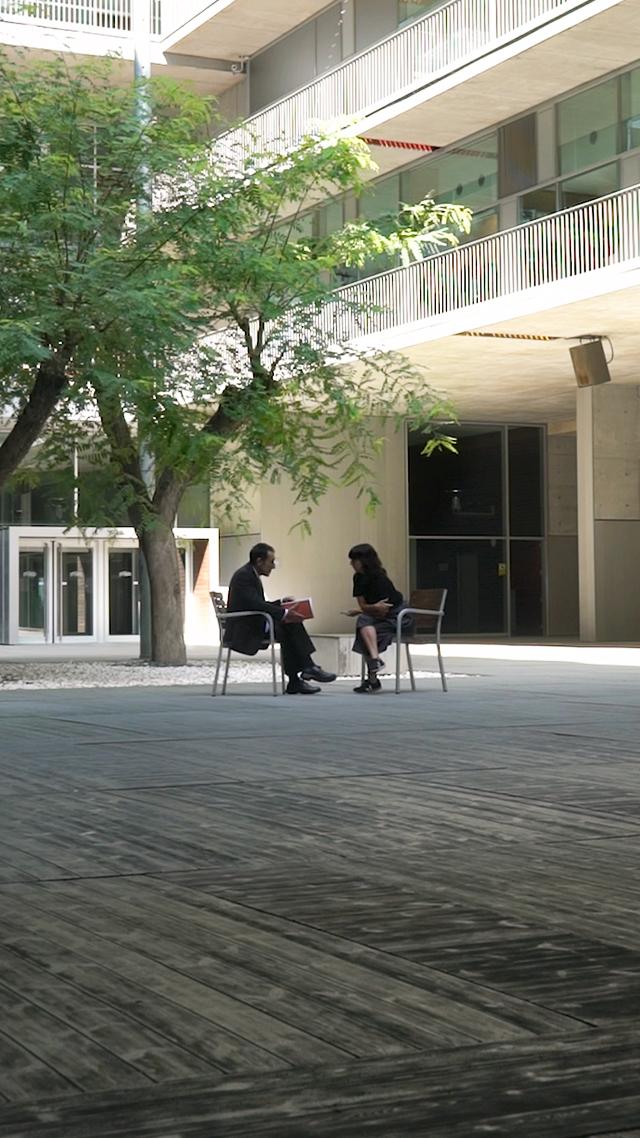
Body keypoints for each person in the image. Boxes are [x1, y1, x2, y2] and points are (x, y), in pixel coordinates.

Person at [225, 542, 336, 695]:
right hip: (244, 629)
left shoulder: (250, 574)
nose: (273, 566)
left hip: (252, 622)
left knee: (288, 625)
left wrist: (281, 603)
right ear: (259, 561)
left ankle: (298, 679)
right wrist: (283, 613)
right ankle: (306, 669)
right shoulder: (244, 576)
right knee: (289, 623)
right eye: (271, 562)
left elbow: (256, 603)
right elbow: (254, 604)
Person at [345, 542, 413, 694]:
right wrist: (365, 609)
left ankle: (373, 678)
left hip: (397, 618)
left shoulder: (380, 579)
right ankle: (375, 666)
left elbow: (383, 610)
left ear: (364, 561)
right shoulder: (358, 578)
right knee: (364, 626)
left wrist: (366, 609)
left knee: (364, 626)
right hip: (379, 617)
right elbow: (364, 605)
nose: (351, 564)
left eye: (354, 560)